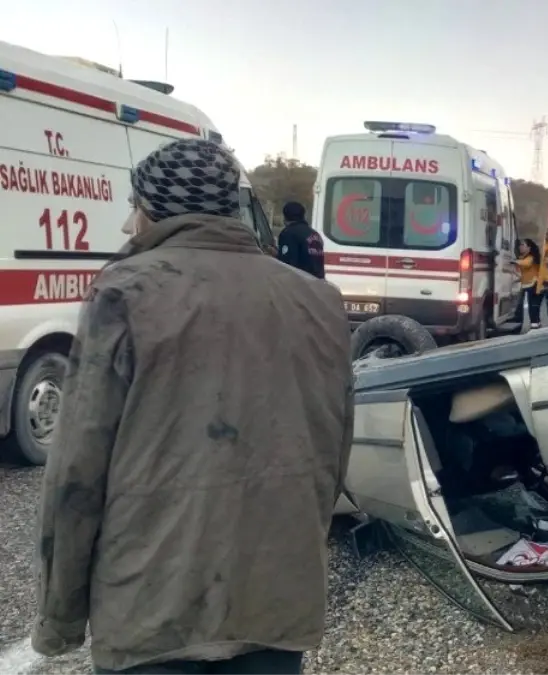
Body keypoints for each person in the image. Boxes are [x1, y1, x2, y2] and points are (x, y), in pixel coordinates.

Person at [33, 138, 354, 675]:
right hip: (274, 600)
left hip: (153, 606)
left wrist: (60, 616)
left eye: (133, 206)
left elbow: (77, 472)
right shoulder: (319, 300)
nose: (126, 224)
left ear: (154, 209)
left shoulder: (126, 291)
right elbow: (332, 451)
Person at [276, 201, 325, 279]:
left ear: (285, 217)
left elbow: (286, 264)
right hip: (317, 284)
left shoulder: (289, 233)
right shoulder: (314, 234)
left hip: (300, 284)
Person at [514, 238, 543, 328]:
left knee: (533, 305)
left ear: (529, 248)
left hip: (534, 283)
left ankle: (535, 323)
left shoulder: (531, 257)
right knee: (530, 304)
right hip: (526, 284)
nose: (520, 247)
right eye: (520, 245)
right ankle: (535, 322)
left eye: (523, 245)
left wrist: (514, 261)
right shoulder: (522, 257)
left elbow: (526, 263)